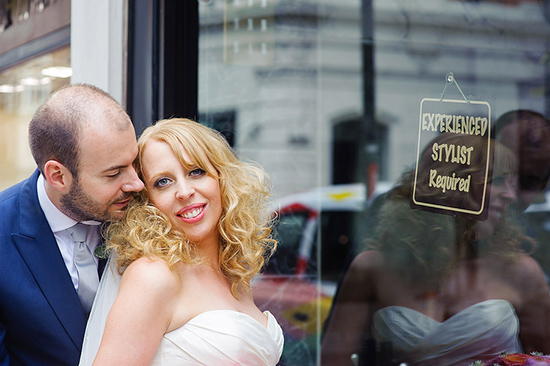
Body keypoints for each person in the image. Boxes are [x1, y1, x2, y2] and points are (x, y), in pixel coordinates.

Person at [321, 133, 550, 366]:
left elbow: (543, 358)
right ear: (454, 186)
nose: (511, 195)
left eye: (513, 183)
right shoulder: (373, 269)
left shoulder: (520, 272)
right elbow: (334, 360)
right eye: (498, 181)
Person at [79, 118, 284, 366]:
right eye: (163, 182)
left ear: (221, 178)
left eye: (196, 171)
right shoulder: (153, 276)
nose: (184, 192)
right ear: (148, 202)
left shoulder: (233, 272)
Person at [0, 84, 144, 366]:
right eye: (114, 173)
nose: (136, 183)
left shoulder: (143, 210)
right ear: (58, 176)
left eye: (134, 162)